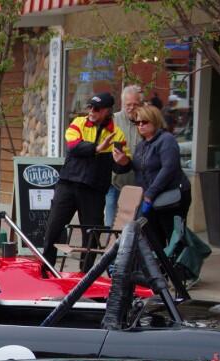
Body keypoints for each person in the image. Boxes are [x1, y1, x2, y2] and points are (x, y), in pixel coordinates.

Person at [41, 92, 130, 269]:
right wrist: (98, 148)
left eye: (96, 109)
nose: (91, 111)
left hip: (94, 190)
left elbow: (122, 166)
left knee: (91, 236)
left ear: (107, 111)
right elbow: (73, 147)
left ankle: (85, 275)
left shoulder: (117, 134)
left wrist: (123, 161)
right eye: (90, 107)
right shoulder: (78, 123)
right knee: (53, 228)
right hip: (68, 184)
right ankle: (46, 270)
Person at [112, 103, 191, 248]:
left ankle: (179, 270)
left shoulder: (166, 140)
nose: (140, 125)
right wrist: (123, 162)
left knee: (174, 239)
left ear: (154, 121)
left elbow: (169, 168)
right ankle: (160, 270)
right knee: (153, 238)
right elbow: (136, 167)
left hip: (171, 197)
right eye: (137, 122)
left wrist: (149, 194)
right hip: (152, 199)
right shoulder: (142, 145)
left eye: (144, 122)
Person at [105, 85, 143, 226]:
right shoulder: (112, 121)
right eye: (128, 104)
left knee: (135, 227)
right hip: (114, 182)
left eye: (135, 104)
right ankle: (110, 248)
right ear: (122, 104)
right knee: (111, 225)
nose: (131, 108)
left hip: (138, 184)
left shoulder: (145, 122)